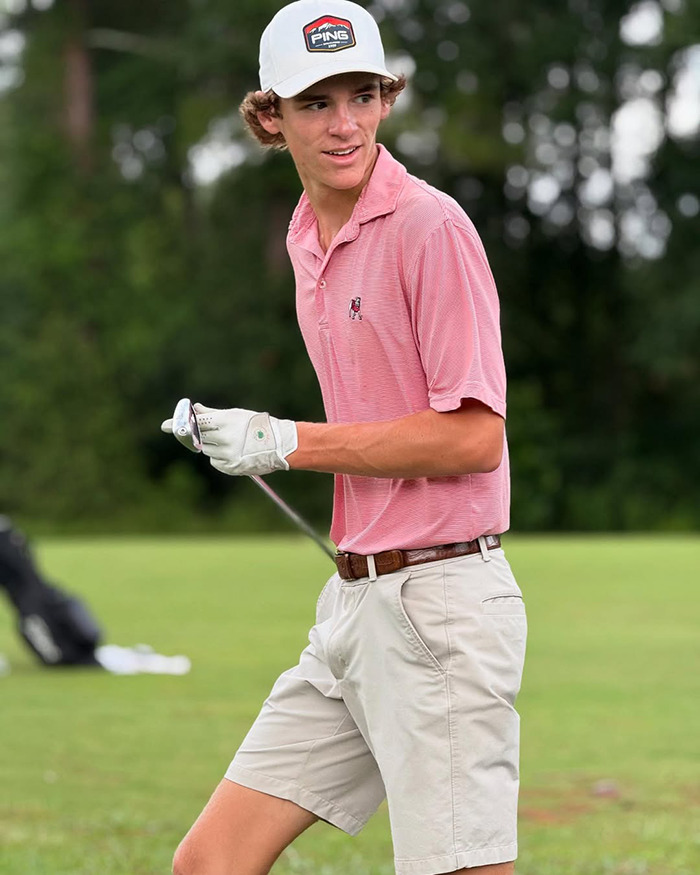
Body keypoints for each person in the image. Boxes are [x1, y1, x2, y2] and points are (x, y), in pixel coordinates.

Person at [164, 1, 527, 873]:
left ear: (387, 101)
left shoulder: (429, 227)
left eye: (362, 96)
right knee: (210, 862)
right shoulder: (304, 236)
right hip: (352, 607)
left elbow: (475, 438)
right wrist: (251, 438)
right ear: (267, 118)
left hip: (441, 603)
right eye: (317, 102)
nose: (344, 124)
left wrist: (287, 441)